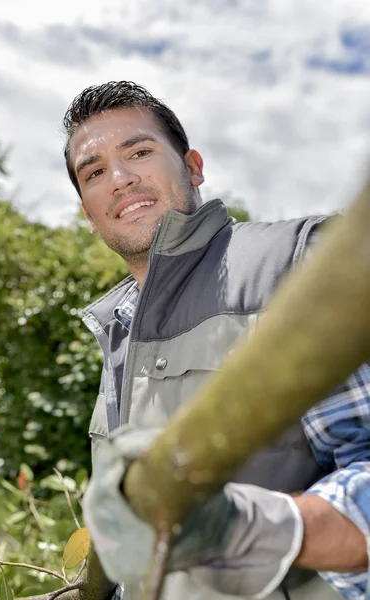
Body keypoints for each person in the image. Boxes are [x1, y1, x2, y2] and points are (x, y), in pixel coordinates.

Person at [62, 81, 370, 600]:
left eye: (139, 151)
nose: (119, 178)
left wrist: (252, 530)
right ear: (89, 216)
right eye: (94, 173)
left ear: (194, 167)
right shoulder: (116, 329)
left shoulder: (299, 266)